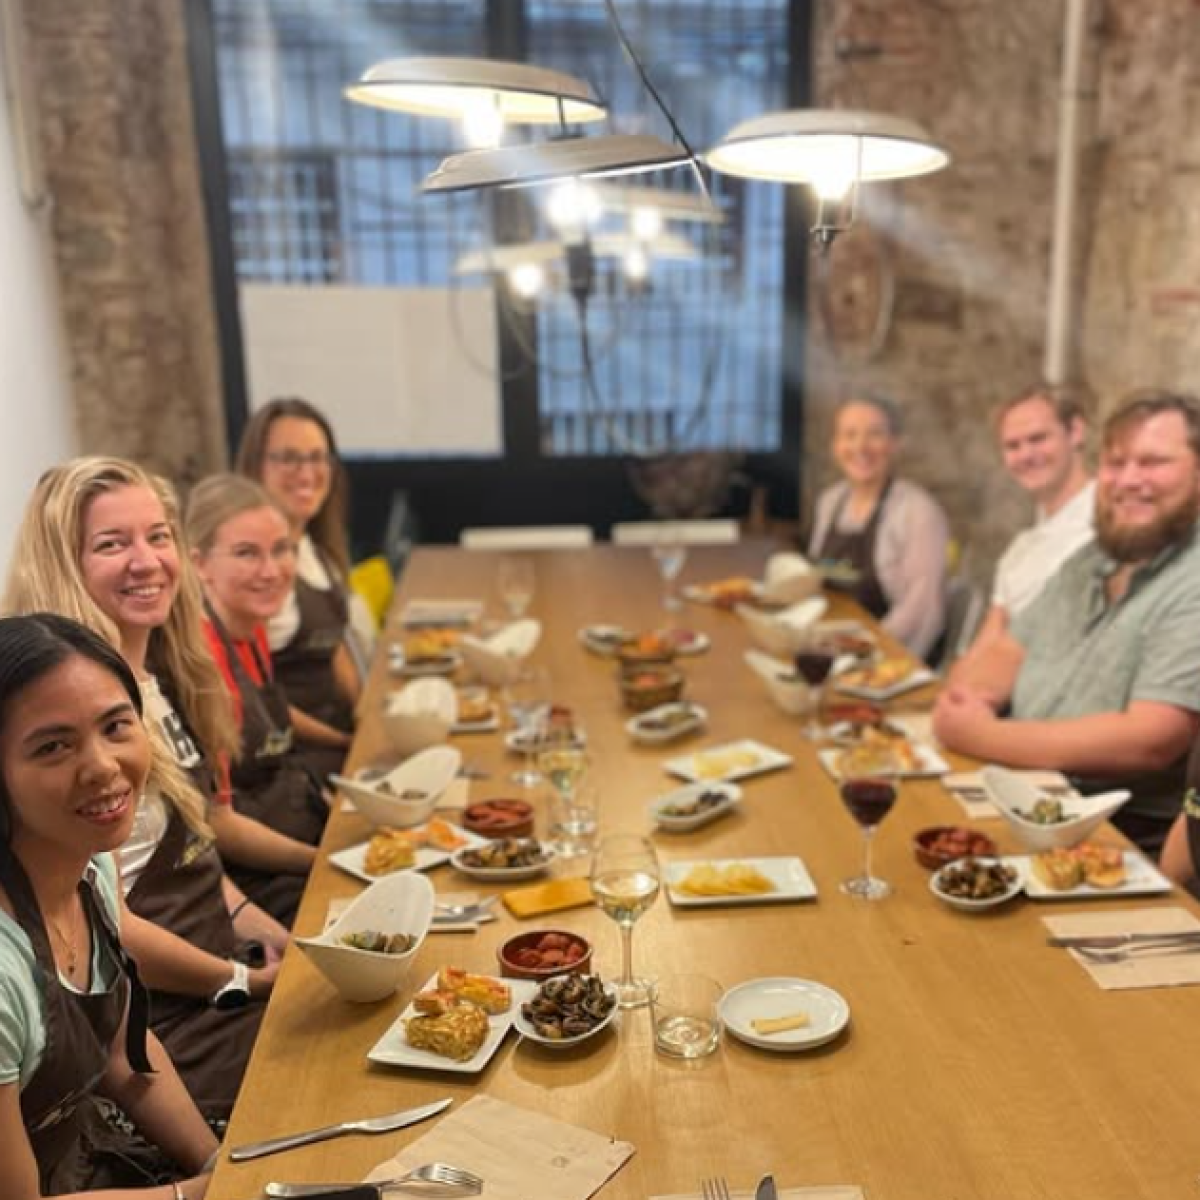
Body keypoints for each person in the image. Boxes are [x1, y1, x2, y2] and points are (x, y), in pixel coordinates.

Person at [4, 457, 287, 1122]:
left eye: (157, 536)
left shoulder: (155, 676)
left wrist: (282, 943)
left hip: (218, 972)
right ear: (62, 562)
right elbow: (112, 926)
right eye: (112, 544)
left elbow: (201, 854)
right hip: (173, 1021)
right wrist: (243, 980)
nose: (147, 560)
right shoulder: (59, 711)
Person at [0, 612, 217, 1198]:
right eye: (53, 746)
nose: (101, 767)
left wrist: (217, 1162)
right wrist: (194, 1194)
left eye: (116, 727)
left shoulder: (89, 866)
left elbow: (122, 1055)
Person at [934, 390, 1200, 856]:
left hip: (1113, 832)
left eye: (1153, 462)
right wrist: (971, 701)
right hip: (1023, 792)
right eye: (1116, 463)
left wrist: (982, 734)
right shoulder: (1093, 556)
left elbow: (1150, 739)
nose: (1128, 479)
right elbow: (1005, 652)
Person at [186, 474, 327, 923]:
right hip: (263, 881)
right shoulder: (202, 661)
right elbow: (219, 824)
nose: (272, 570)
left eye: (281, 549)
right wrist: (323, 863)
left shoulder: (250, 625)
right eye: (247, 553)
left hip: (296, 830)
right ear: (199, 564)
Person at [236, 398, 360, 777]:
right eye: (289, 458)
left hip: (342, 744)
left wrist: (368, 718)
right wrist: (347, 743)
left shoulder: (312, 546)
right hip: (298, 761)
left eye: (318, 458)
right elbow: (253, 698)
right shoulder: (250, 573)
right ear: (257, 467)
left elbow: (336, 648)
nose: (307, 472)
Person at [955, 386, 1094, 664]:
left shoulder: (1113, 525)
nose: (1026, 455)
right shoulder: (1019, 552)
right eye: (1013, 446)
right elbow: (986, 646)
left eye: (1038, 438)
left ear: (1076, 431)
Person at [808, 396, 950, 660]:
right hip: (833, 648)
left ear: (895, 444)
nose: (860, 446)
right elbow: (819, 583)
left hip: (888, 661)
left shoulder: (918, 512)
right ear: (835, 445)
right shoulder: (830, 502)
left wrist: (862, 652)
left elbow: (923, 612)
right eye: (849, 435)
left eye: (875, 434)